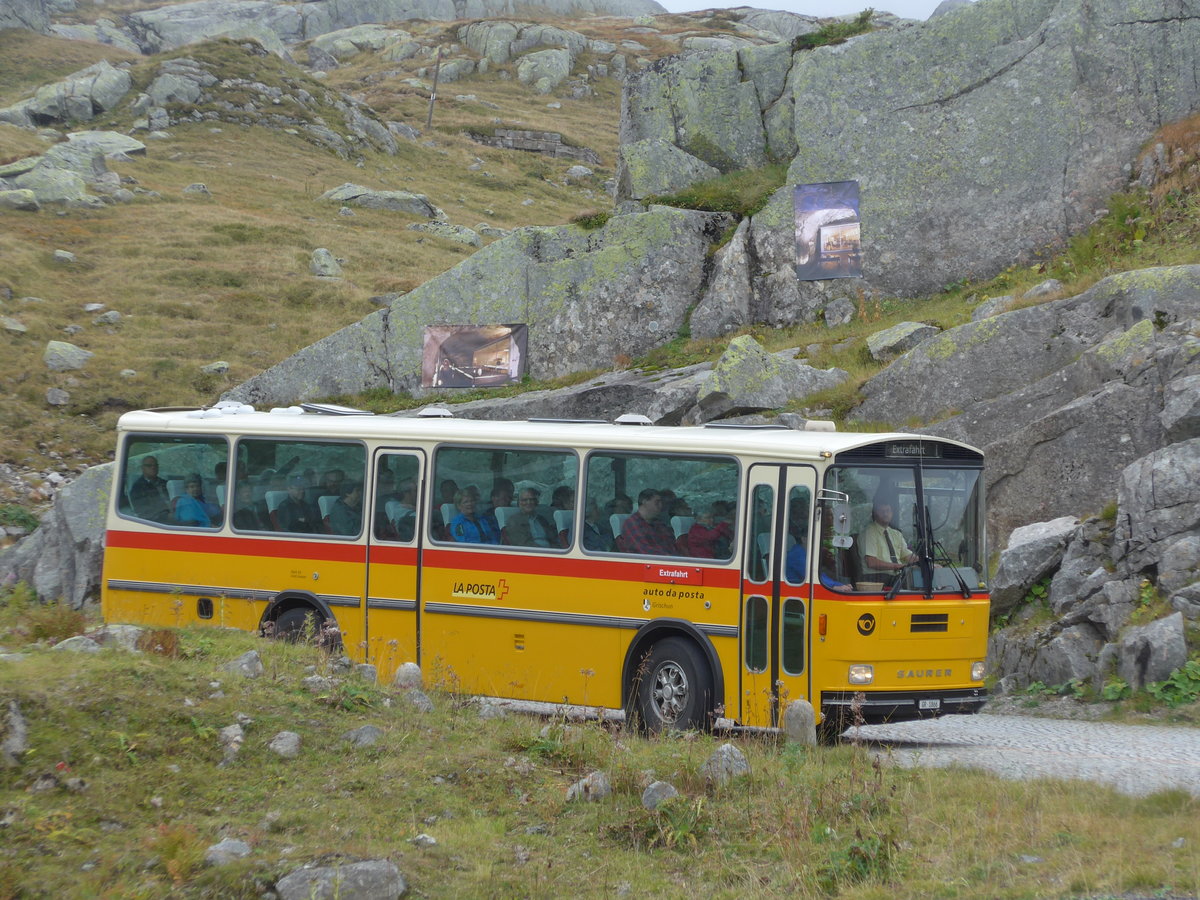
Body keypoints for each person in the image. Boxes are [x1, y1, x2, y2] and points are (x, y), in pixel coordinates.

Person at [860, 497, 917, 577]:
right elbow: (871, 562)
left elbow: (908, 556)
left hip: (897, 577)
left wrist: (926, 564)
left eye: (888, 511)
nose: (885, 514)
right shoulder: (869, 532)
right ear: (875, 514)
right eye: (882, 511)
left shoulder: (896, 534)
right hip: (875, 579)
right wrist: (897, 566)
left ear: (892, 513)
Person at [619, 489, 678, 555]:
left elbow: (673, 545)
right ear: (644, 502)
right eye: (657, 502)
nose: (661, 505)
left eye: (661, 502)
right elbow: (645, 552)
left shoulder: (659, 524)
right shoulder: (632, 524)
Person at [129, 456, 171, 521]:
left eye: (155, 465)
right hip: (156, 522)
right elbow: (143, 511)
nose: (153, 467)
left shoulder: (166, 483)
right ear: (142, 468)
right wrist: (165, 516)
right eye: (149, 465)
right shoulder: (137, 488)